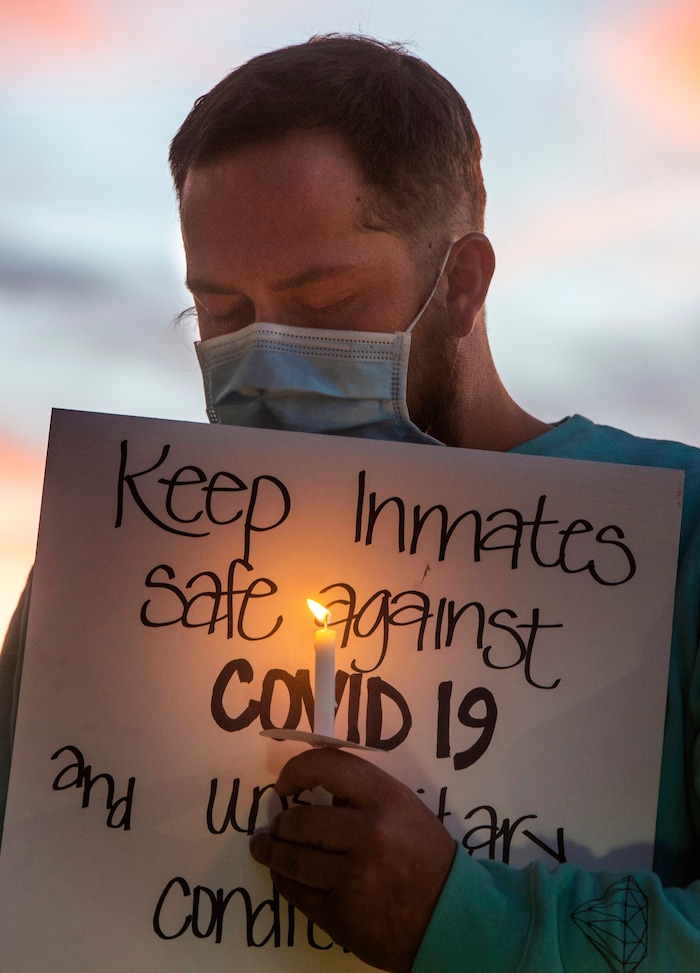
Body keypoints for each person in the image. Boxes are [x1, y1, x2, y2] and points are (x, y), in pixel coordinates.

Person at [4, 32, 700, 972]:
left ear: (461, 282)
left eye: (324, 304)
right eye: (222, 314)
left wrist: (463, 916)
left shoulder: (679, 529)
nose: (267, 354)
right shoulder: (115, 550)